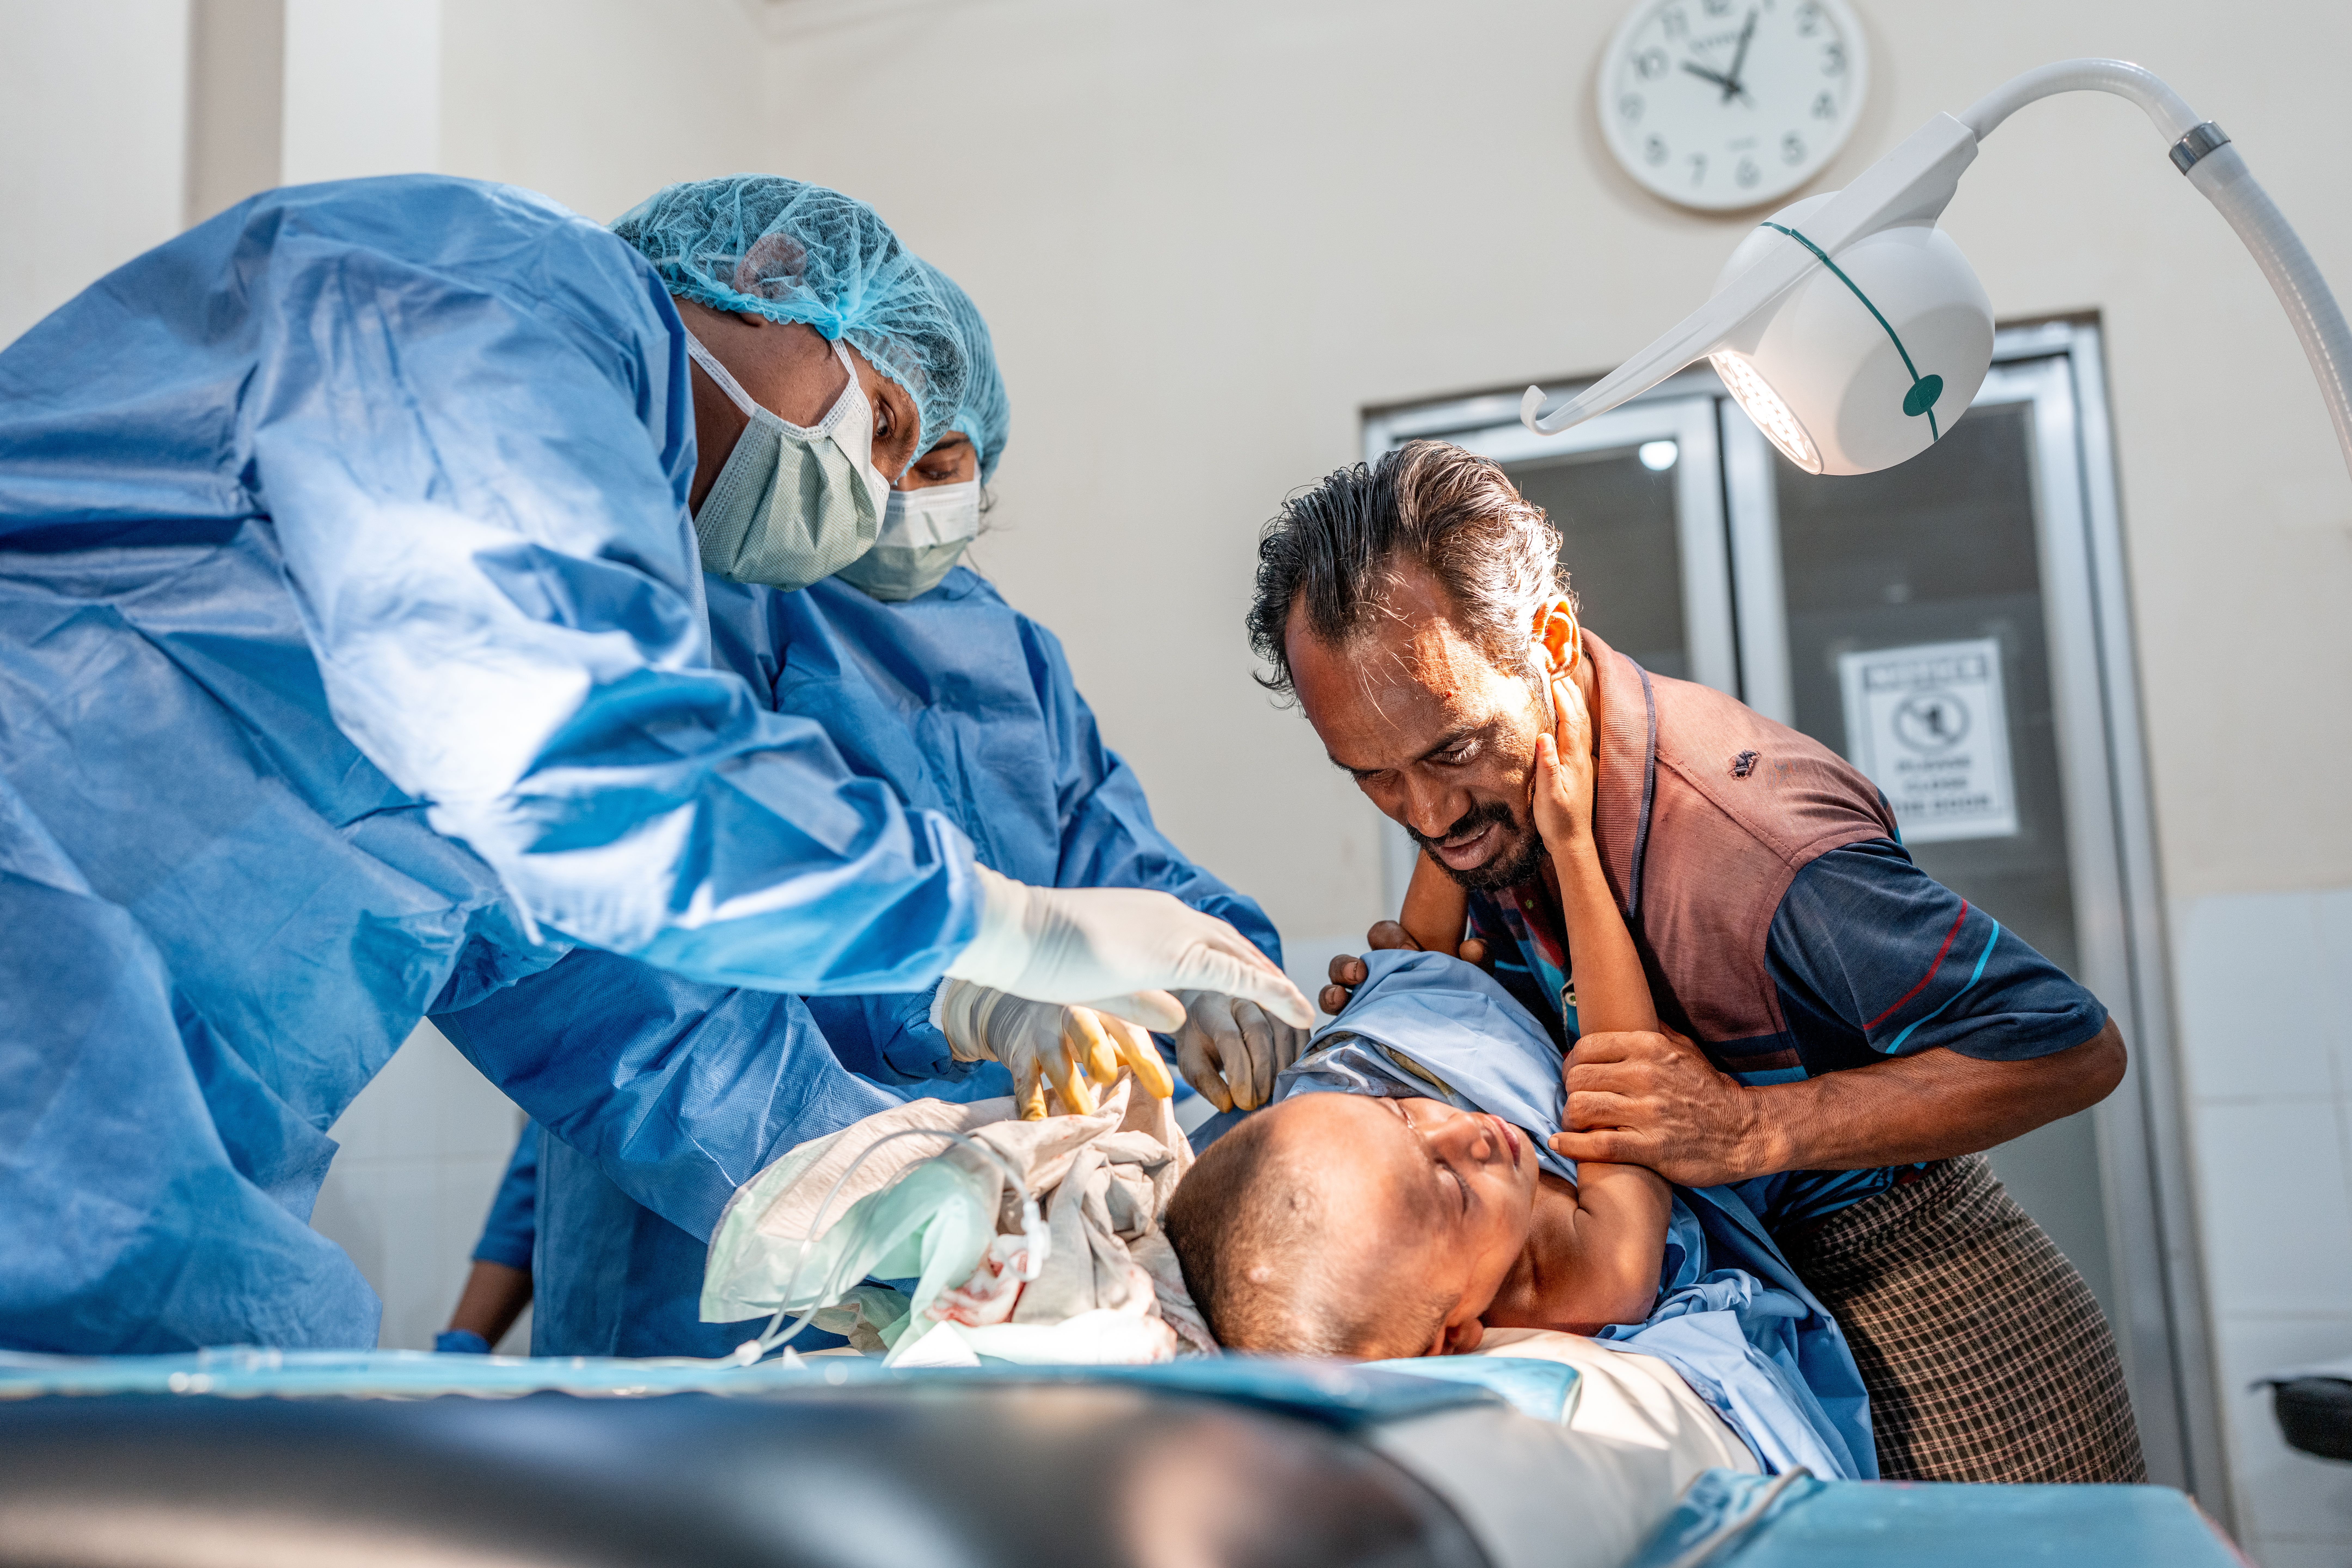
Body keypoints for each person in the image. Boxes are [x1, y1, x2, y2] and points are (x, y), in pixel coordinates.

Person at [0, 172, 1303, 1354]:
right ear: (777, 290)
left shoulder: (659, 582)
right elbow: (591, 755)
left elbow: (630, 1021)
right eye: (888, 425)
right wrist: (994, 934)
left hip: (143, 1151)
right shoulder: (497, 294)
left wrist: (906, 1201)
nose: (880, 490)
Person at [438, 259, 1304, 1356]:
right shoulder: (710, 598)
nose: (902, 490)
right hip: (706, 1255)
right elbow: (652, 951)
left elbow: (1110, 852)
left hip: (986, 1251)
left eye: (943, 463)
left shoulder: (1005, 649)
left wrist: (1221, 970)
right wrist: (958, 987)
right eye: (883, 441)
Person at [1242, 439, 2139, 1484]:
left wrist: (1753, 1128)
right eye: (1374, 776)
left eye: (1449, 751)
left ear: (1546, 641)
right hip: (1783, 1347)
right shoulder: (1509, 802)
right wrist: (1440, 1022)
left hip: (1949, 1353)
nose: (1429, 813)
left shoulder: (1747, 847)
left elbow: (2071, 1047)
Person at [1165, 668, 1871, 1479]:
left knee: (1388, 1005)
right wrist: (1572, 849)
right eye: (1455, 1187)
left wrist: (1453, 829)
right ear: (1453, 1337)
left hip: (1419, 1044)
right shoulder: (1588, 1273)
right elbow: (1620, 1064)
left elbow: (1419, 980)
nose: (1466, 1131)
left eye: (1404, 1122)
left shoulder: (1373, 1161)